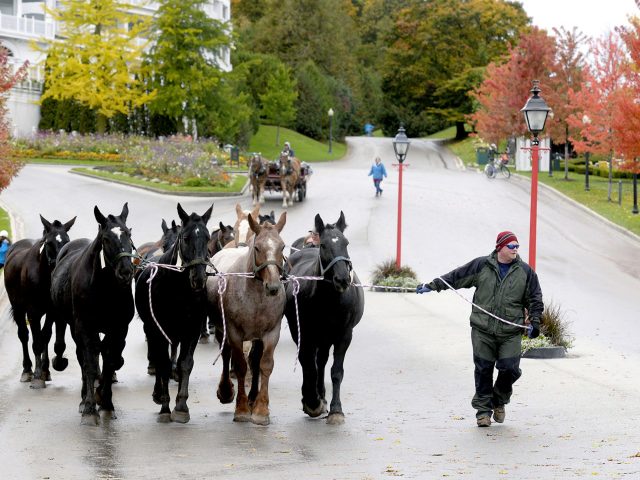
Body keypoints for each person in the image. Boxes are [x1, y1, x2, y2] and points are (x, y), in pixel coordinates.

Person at [416, 231, 543, 428]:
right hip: (482, 329)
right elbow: (455, 277)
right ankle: (483, 412)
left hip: (510, 332)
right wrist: (432, 286)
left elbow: (535, 298)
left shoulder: (525, 272)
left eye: (517, 246)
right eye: (511, 246)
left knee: (509, 369)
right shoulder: (482, 265)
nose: (515, 249)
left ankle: (499, 400)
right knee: (483, 369)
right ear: (500, 247)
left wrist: (534, 323)